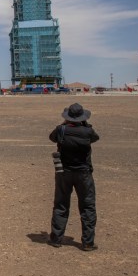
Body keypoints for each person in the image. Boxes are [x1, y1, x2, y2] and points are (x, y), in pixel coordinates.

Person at [48, 102, 100, 251]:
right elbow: (95, 138)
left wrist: (64, 125)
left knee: (61, 205)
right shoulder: (88, 131)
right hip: (84, 173)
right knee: (87, 206)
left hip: (63, 172)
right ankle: (88, 242)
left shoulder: (61, 130)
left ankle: (56, 239)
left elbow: (52, 138)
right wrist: (84, 125)